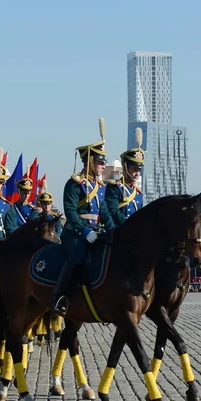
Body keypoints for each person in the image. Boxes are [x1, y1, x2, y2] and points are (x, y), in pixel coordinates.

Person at [52, 120, 115, 316]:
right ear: (89, 161)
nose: (103, 166)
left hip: (96, 231)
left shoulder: (101, 186)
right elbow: (70, 211)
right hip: (76, 233)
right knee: (78, 257)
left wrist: (114, 230)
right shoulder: (74, 183)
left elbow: (103, 210)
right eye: (99, 162)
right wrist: (84, 231)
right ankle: (60, 297)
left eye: (104, 162)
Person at [105, 128, 145, 226]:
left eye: (139, 170)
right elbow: (113, 211)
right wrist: (129, 226)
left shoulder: (138, 193)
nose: (137, 173)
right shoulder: (115, 188)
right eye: (135, 169)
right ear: (126, 168)